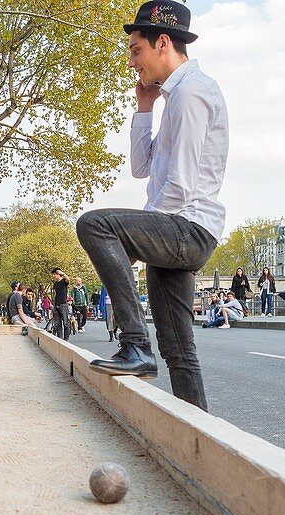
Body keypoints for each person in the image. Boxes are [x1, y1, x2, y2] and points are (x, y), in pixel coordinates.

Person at [75, 2, 227, 410]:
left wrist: (139, 241)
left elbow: (182, 184)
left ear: (163, 43)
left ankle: (135, 344)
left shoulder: (192, 92)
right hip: (175, 227)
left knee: (95, 225)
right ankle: (200, 435)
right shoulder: (173, 97)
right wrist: (145, 108)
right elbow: (142, 168)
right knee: (178, 348)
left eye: (135, 50)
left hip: (186, 227)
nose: (130, 62)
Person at [50, 268, 71, 339]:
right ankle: (60, 339)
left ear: (58, 274)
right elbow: (55, 294)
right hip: (56, 304)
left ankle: (66, 338)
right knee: (58, 323)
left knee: (65, 323)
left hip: (63, 305)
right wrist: (53, 306)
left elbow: (68, 279)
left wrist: (63, 273)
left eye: (54, 274)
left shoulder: (64, 281)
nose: (53, 276)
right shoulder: (55, 284)